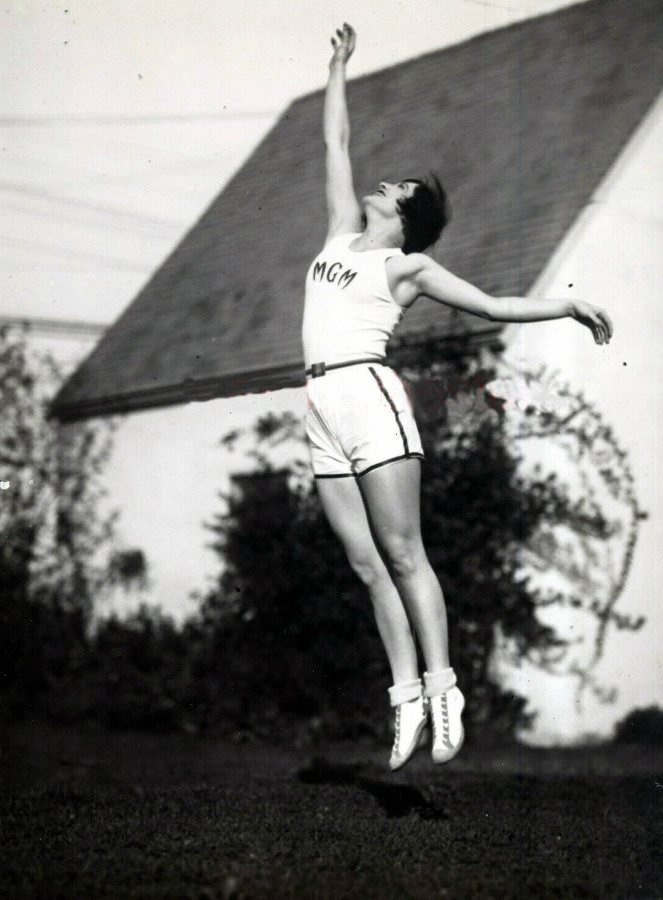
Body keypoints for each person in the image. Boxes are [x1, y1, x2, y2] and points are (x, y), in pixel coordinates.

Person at [301, 23, 613, 771]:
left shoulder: (410, 267)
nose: (383, 182)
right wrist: (339, 68)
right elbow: (335, 145)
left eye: (398, 186)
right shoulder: (343, 233)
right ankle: (404, 698)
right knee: (364, 565)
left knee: (404, 552)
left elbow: (496, 306)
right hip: (318, 406)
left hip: (371, 397)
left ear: (408, 214)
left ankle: (445, 691)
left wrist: (566, 306)